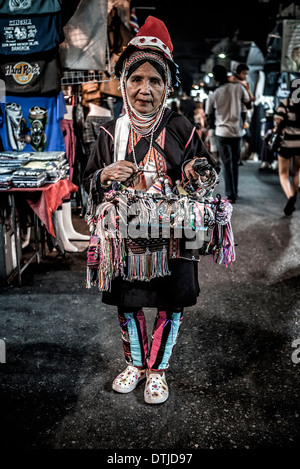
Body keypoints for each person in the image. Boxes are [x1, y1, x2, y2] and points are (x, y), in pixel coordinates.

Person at [83, 16, 219, 404]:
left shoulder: (182, 128)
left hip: (175, 238)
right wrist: (106, 174)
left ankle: (158, 370)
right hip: (126, 240)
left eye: (155, 80)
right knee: (127, 301)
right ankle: (135, 363)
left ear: (167, 86)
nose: (145, 90)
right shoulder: (110, 131)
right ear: (123, 83)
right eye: (136, 79)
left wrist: (196, 171)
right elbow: (86, 185)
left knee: (170, 301)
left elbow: (209, 172)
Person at [206, 64, 251, 203]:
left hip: (222, 132)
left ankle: (230, 194)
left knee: (226, 164)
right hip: (237, 132)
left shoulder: (214, 94)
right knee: (235, 163)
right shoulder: (238, 88)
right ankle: (235, 192)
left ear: (215, 78)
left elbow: (209, 116)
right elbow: (248, 103)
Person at [273, 79, 300, 216]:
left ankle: (290, 197)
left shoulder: (286, 103)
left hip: (287, 143)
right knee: (296, 173)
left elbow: (278, 120)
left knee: (284, 174)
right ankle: (294, 197)